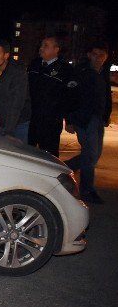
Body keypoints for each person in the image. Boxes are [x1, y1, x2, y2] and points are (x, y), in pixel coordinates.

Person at [64, 42, 109, 204]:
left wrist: (106, 115)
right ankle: (85, 188)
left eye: (101, 55)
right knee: (90, 154)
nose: (98, 58)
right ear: (89, 55)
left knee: (93, 155)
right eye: (95, 54)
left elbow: (106, 96)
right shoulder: (81, 72)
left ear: (106, 57)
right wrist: (69, 120)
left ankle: (67, 170)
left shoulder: (102, 72)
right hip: (83, 119)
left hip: (98, 119)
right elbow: (69, 96)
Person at [27, 35, 74, 157]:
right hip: (32, 119)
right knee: (28, 155)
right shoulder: (34, 64)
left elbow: (69, 97)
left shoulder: (65, 69)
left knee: (49, 157)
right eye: (41, 45)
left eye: (46, 46)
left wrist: (69, 120)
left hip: (51, 122)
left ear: (56, 49)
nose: (41, 48)